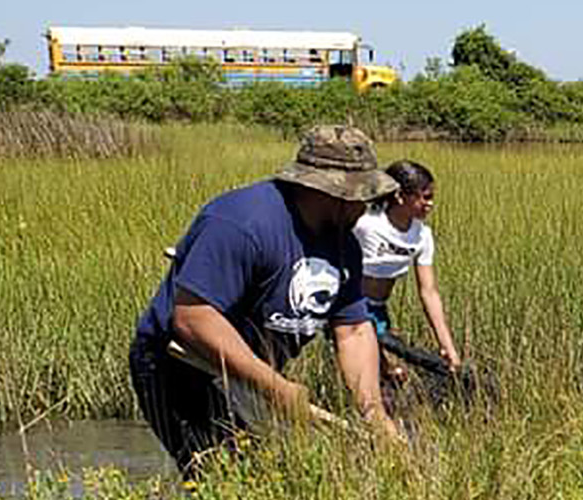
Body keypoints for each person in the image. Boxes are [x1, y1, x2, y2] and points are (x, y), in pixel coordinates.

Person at [129, 125, 403, 475]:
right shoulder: (240, 222)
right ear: (329, 191)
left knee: (280, 475)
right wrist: (275, 387)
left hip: (253, 372)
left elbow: (352, 330)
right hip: (182, 365)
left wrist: (374, 413)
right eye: (361, 197)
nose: (366, 208)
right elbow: (194, 318)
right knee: (227, 479)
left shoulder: (344, 242)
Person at [354, 160, 461, 372]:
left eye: (432, 197)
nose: (430, 204)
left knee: (389, 374)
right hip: (350, 305)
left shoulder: (421, 236)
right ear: (400, 196)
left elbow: (429, 292)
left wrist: (447, 345)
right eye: (425, 197)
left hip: (378, 310)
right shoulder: (365, 224)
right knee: (374, 370)